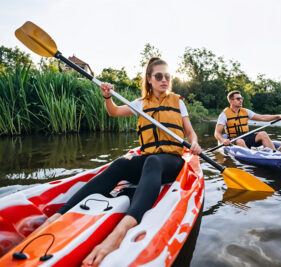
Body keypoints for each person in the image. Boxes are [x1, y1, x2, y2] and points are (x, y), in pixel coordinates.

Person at [38, 57, 202, 267]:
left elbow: (190, 133)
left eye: (167, 76)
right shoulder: (141, 104)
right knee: (121, 163)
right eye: (159, 76)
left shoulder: (178, 101)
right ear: (149, 79)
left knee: (152, 161)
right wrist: (107, 97)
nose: (164, 80)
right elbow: (114, 111)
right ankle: (60, 214)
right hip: (149, 157)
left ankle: (121, 231)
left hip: (171, 161)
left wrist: (195, 144)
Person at [214, 90, 281, 151]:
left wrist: (278, 116)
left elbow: (262, 117)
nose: (241, 100)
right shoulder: (224, 115)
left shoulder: (245, 111)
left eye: (241, 98)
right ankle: (254, 154)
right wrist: (223, 140)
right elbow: (217, 133)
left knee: (263, 133)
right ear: (231, 101)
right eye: (238, 99)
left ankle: (274, 153)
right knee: (240, 141)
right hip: (235, 139)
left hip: (247, 136)